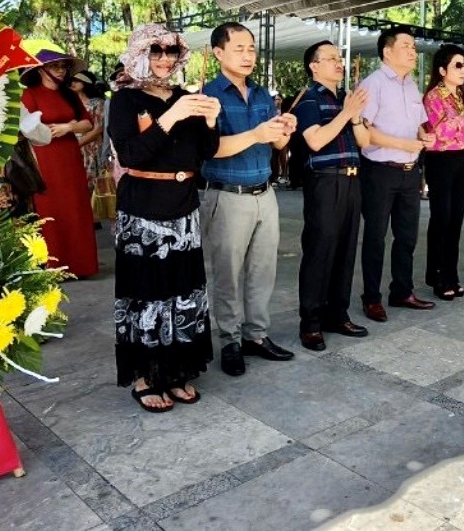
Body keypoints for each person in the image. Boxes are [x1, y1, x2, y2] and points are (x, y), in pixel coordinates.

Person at [109, 24, 221, 413]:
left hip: (184, 205)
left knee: (183, 290)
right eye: (156, 52)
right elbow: (131, 155)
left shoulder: (184, 97)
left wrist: (209, 119)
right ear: (140, 53)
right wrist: (170, 117)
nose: (164, 60)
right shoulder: (125, 100)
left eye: (170, 53)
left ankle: (175, 371)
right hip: (143, 208)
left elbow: (206, 151)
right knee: (147, 293)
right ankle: (145, 375)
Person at [201, 22, 296, 374]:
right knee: (227, 273)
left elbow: (278, 145)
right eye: (239, 48)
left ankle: (256, 335)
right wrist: (256, 133)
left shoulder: (261, 95)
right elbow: (211, 150)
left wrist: (284, 130)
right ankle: (229, 340)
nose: (247, 55)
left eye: (251, 49)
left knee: (262, 270)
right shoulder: (208, 97)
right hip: (227, 196)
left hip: (264, 193)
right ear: (218, 53)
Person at [293, 40, 372, 350]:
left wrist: (353, 114)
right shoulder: (309, 99)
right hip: (325, 182)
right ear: (314, 66)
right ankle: (310, 323)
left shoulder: (346, 99)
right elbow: (315, 141)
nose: (339, 63)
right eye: (331, 59)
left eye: (340, 58)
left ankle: (337, 314)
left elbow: (364, 140)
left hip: (353, 180)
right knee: (319, 251)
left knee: (346, 249)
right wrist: (346, 114)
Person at [359, 26, 436, 323]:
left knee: (406, 236)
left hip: (409, 172)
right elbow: (364, 131)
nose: (413, 51)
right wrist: (402, 144)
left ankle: (402, 291)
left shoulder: (411, 85)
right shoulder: (374, 84)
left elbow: (419, 124)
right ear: (387, 51)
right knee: (376, 237)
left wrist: (423, 136)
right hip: (380, 171)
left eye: (414, 46)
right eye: (406, 45)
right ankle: (372, 297)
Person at [20, 42, 99, 277]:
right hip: (44, 157)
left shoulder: (69, 95)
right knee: (50, 208)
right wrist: (44, 131)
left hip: (70, 155)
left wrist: (68, 127)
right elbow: (26, 127)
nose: (61, 70)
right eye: (55, 66)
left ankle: (81, 265)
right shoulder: (29, 94)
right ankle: (54, 266)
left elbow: (88, 123)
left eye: (63, 66)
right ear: (40, 69)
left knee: (76, 207)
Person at [421, 44, 464, 301]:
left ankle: (451, 273)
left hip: (462, 159)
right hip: (441, 161)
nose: (463, 70)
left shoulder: (463, 95)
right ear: (441, 69)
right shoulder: (433, 97)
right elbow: (439, 133)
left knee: (456, 219)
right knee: (442, 218)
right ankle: (437, 275)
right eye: (457, 65)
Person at [69, 69, 106, 187]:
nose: (73, 83)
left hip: (91, 147)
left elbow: (98, 129)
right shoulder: (70, 103)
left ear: (86, 83)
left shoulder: (97, 103)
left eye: (77, 81)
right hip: (74, 146)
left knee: (92, 183)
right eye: (72, 81)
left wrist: (78, 144)